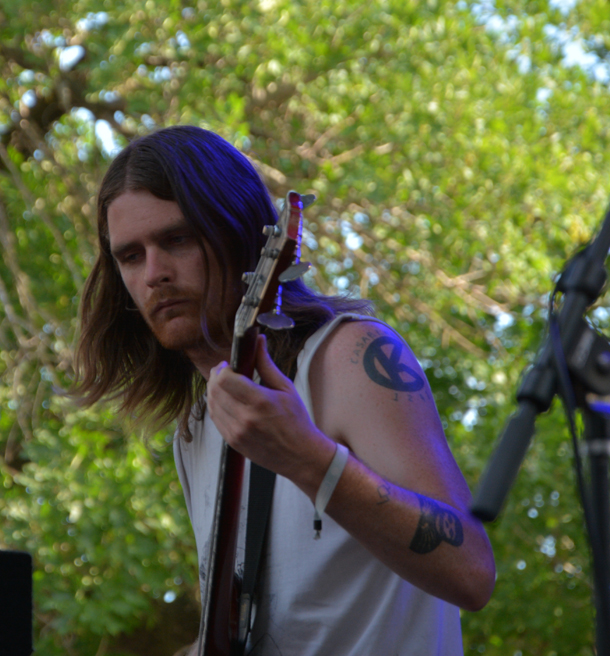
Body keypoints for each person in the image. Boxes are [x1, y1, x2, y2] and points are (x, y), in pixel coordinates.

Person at [75, 125, 496, 655]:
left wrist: (309, 459)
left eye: (177, 239)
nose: (154, 273)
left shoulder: (348, 358)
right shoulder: (196, 429)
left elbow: (471, 570)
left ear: (239, 234)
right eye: (131, 256)